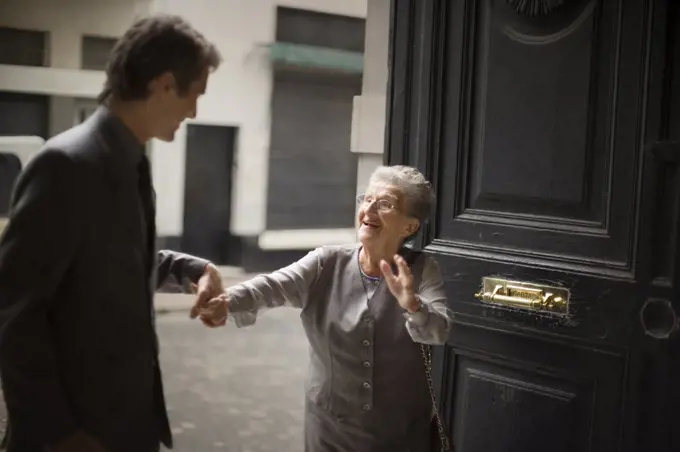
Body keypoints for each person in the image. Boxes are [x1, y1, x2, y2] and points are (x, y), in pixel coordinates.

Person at [0, 14, 224, 452]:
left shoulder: (128, 162)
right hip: (72, 437)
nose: (194, 111)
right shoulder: (67, 166)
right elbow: (14, 310)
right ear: (163, 85)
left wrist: (197, 269)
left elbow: (112, 260)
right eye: (194, 95)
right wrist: (59, 432)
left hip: (125, 428)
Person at [195, 165, 454, 452]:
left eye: (386, 204)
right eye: (367, 199)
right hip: (330, 428)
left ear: (410, 226)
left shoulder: (424, 270)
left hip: (400, 430)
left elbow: (439, 331)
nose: (370, 209)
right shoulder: (325, 262)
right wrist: (227, 300)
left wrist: (412, 305)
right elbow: (272, 286)